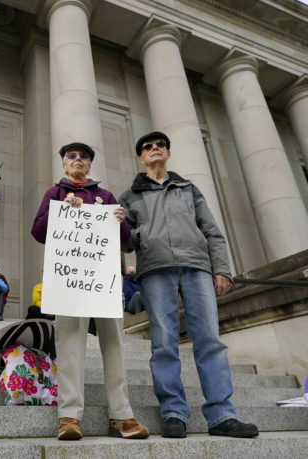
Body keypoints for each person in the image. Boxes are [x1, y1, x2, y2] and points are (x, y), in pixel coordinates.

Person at [118, 131, 258, 439]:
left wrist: (222, 268)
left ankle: (221, 415)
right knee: (163, 343)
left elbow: (212, 230)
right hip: (155, 271)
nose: (155, 149)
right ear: (141, 157)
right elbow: (124, 242)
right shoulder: (129, 196)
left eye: (160, 145)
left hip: (197, 268)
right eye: (148, 147)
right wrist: (122, 225)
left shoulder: (188, 189)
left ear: (167, 153)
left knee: (210, 340)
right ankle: (173, 413)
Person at [31, 142, 149, 441]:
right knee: (70, 344)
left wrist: (121, 221)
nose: (78, 160)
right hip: (70, 282)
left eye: (83, 156)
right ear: (64, 164)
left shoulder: (105, 196)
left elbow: (124, 240)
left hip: (104, 282)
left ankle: (122, 415)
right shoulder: (54, 193)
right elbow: (38, 231)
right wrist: (60, 212)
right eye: (72, 156)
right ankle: (69, 415)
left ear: (89, 164)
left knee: (114, 345)